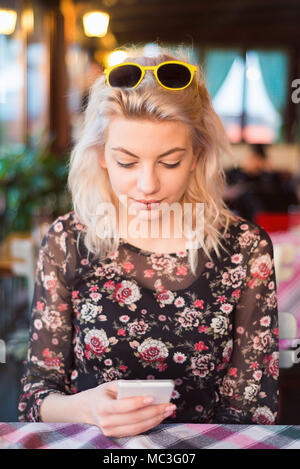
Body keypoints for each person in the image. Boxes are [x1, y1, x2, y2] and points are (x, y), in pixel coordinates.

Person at [18, 49, 279, 435]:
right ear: (101, 155)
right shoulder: (68, 240)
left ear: (197, 156)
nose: (147, 185)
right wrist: (84, 407)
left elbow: (255, 410)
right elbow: (35, 396)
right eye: (126, 161)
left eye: (169, 162)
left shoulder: (244, 248)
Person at [224, 144, 298, 221]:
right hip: (243, 216)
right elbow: (226, 194)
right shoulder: (235, 173)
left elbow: (288, 195)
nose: (255, 162)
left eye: (259, 159)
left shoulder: (269, 176)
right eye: (253, 158)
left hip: (267, 217)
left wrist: (269, 172)